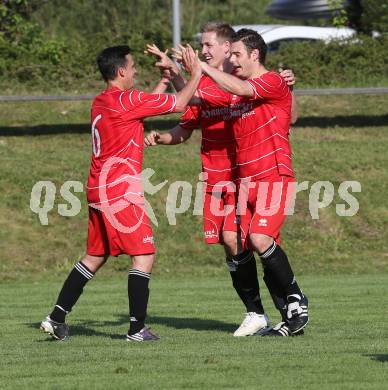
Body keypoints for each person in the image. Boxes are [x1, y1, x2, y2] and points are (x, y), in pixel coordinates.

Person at [145, 22, 298, 337]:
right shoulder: (219, 85)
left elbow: (281, 111)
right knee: (234, 242)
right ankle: (258, 312)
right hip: (222, 180)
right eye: (201, 47)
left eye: (208, 46)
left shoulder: (244, 84)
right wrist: (175, 73)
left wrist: (289, 87)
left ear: (230, 49)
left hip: (251, 175)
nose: (203, 51)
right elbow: (192, 102)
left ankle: (290, 310)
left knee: (258, 241)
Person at [40, 45, 202, 342]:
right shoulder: (127, 100)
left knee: (94, 256)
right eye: (134, 66)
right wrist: (197, 72)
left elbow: (143, 106)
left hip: (97, 188)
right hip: (119, 192)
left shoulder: (102, 101)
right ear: (122, 71)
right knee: (144, 256)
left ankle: (56, 317)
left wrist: (164, 80)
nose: (137, 70)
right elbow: (180, 104)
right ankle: (137, 329)